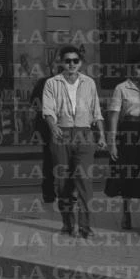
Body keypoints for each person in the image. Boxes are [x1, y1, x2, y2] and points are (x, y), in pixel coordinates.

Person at [41, 46, 106, 239]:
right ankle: (68, 224)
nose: (71, 64)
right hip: (61, 133)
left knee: (85, 182)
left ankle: (85, 227)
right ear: (62, 62)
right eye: (67, 60)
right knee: (63, 183)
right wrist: (53, 127)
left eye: (75, 61)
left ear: (81, 63)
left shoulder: (89, 83)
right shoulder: (52, 83)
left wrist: (101, 136)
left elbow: (97, 112)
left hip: (84, 134)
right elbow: (48, 110)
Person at [107, 55, 140, 237]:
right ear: (131, 69)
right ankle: (126, 213)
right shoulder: (121, 88)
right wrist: (112, 142)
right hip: (128, 131)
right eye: (138, 67)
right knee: (127, 173)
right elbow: (114, 116)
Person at [30, 59, 56, 203]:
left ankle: (58, 192)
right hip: (48, 127)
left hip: (66, 127)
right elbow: (34, 102)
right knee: (50, 160)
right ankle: (49, 192)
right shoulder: (43, 83)